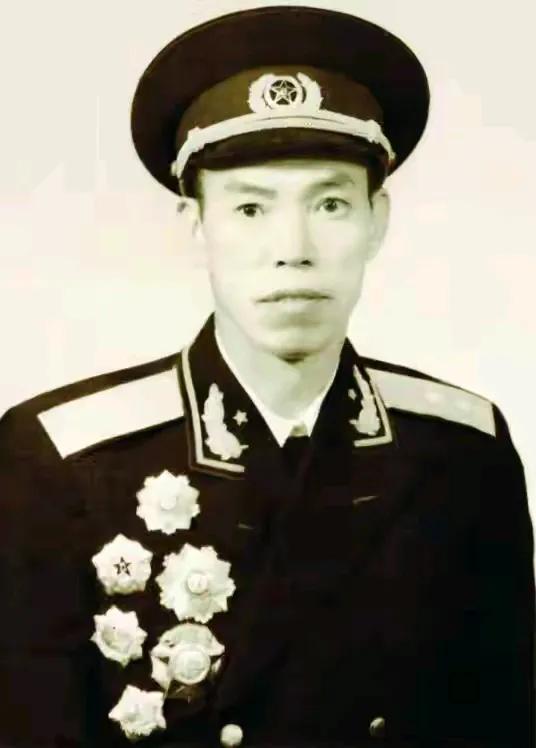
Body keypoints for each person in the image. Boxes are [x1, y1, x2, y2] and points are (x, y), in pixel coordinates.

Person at [0, 5, 533, 748]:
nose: (293, 248)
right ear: (196, 226)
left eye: (331, 204)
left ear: (378, 221)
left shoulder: (462, 453)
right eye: (250, 208)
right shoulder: (62, 462)